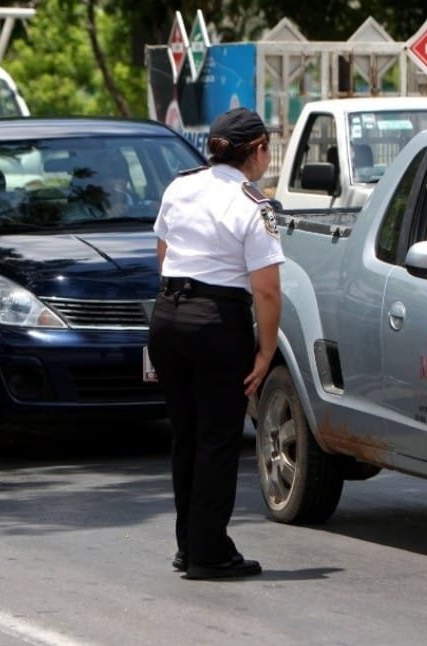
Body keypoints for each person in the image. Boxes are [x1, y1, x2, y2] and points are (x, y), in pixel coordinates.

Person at [147, 107, 284, 580]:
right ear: (257, 152)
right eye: (269, 147)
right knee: (219, 440)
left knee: (186, 436)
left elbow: (163, 253)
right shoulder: (253, 205)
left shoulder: (180, 185)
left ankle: (190, 544)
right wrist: (266, 352)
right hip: (216, 323)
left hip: (167, 317)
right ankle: (208, 550)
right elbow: (266, 289)